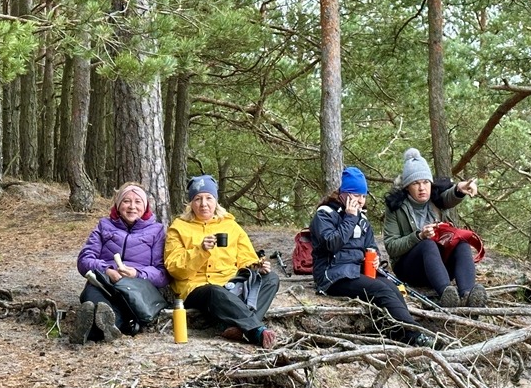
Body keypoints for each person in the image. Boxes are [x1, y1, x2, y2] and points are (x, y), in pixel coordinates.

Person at [309, 166, 434, 347]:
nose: (360, 201)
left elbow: (371, 246)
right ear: (344, 194)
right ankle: (415, 335)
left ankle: (398, 331)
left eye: (363, 196)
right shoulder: (324, 215)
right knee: (380, 290)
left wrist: (375, 259)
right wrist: (350, 218)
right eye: (356, 195)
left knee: (391, 288)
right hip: (333, 274)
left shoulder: (362, 218)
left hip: (356, 270)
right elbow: (331, 244)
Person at [164, 175, 279, 348]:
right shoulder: (178, 227)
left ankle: (235, 327)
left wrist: (257, 267)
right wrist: (200, 250)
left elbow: (246, 259)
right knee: (214, 291)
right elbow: (175, 268)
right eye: (198, 199)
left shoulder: (231, 226)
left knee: (271, 279)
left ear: (216, 201)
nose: (204, 204)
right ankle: (255, 329)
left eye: (208, 198)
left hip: (230, 285)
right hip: (197, 289)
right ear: (190, 203)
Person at [383, 148, 487, 308]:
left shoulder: (436, 199)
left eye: (425, 182)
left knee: (462, 242)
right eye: (415, 183)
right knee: (427, 244)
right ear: (407, 187)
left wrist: (460, 188)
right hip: (411, 269)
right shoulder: (396, 207)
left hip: (440, 266)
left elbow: (451, 196)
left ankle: (468, 294)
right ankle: (446, 294)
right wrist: (418, 236)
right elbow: (391, 247)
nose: (422, 188)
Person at [71, 182, 170, 344]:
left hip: (135, 288)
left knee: (119, 308)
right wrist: (107, 270)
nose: (132, 206)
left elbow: (162, 274)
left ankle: (90, 330)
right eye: (126, 201)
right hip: (104, 281)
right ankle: (97, 324)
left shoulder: (157, 231)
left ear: (145, 206)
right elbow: (84, 260)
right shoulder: (104, 226)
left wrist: (136, 274)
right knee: (92, 297)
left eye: (138, 202)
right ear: (118, 204)